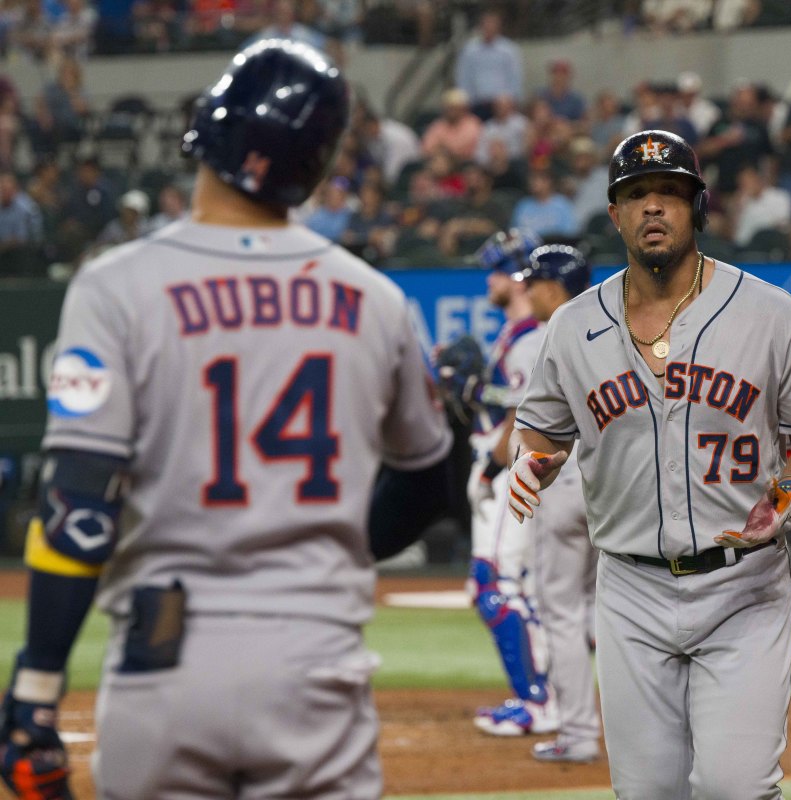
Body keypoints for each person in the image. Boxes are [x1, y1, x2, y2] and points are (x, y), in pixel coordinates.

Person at [0, 39, 454, 799]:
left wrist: (37, 687)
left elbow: (79, 507)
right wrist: (342, 548)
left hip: (165, 655)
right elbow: (428, 482)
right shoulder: (377, 300)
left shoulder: (116, 286)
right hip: (319, 658)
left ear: (210, 127)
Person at [507, 129, 791, 797]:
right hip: (630, 590)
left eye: (670, 193)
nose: (653, 207)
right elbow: (542, 436)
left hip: (741, 586)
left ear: (699, 207)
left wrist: (787, 495)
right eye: (637, 195)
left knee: (736, 787)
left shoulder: (770, 314)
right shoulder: (573, 327)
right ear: (615, 214)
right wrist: (535, 465)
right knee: (648, 792)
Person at [464, 228, 561, 738]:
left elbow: (522, 419)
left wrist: (491, 469)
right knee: (509, 586)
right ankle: (543, 696)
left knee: (497, 584)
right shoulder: (518, 334)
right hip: (509, 468)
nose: (492, 278)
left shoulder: (532, 337)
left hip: (514, 470)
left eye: (499, 269)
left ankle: (538, 701)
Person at [510, 244, 601, 764]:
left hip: (561, 485)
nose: (528, 289)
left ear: (555, 284)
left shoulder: (546, 337)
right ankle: (643, 728)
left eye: (535, 281)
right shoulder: (609, 329)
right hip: (610, 493)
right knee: (607, 614)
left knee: (562, 615)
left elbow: (531, 428)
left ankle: (579, 734)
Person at [454, 9, 523, 120]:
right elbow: (463, 78)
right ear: (480, 26)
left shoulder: (509, 50)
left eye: (492, 24)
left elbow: (515, 78)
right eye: (486, 24)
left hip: (502, 105)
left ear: (498, 27)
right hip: (476, 104)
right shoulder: (469, 50)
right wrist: (465, 102)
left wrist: (512, 100)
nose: (489, 27)